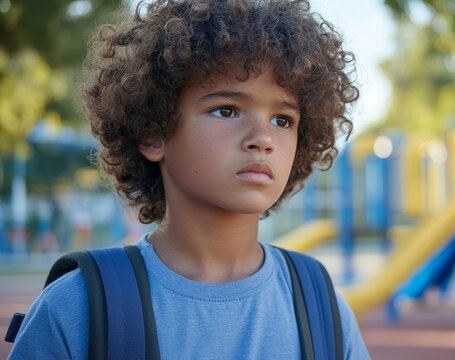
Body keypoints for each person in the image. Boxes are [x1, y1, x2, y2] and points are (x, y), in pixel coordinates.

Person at [8, 0, 369, 358]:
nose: (263, 137)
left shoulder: (323, 310)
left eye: (282, 120)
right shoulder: (79, 307)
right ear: (153, 133)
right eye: (226, 110)